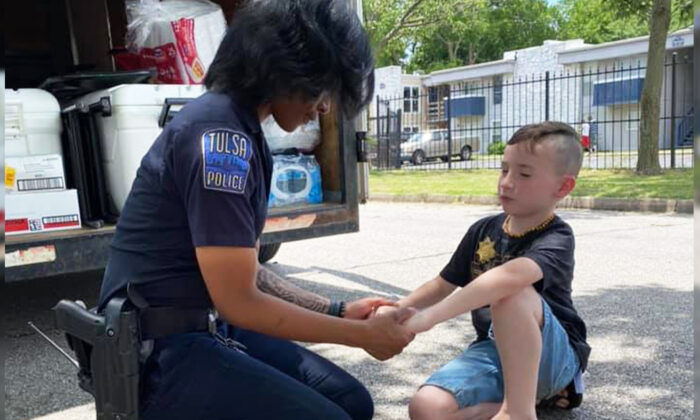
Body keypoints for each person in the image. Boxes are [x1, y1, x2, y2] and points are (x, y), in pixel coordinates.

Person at [96, 1, 415, 419]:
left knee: (353, 402)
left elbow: (248, 273)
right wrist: (360, 335)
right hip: (156, 354)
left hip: (198, 330)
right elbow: (240, 301)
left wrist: (338, 310)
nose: (322, 107)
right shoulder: (221, 140)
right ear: (285, 68)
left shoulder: (241, 131)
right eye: (320, 88)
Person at [376, 122, 591, 420]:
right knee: (425, 408)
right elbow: (442, 284)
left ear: (563, 187)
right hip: (494, 351)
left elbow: (507, 279)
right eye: (504, 170)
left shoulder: (557, 237)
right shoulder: (483, 230)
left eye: (524, 174)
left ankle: (519, 410)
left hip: (551, 357)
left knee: (511, 294)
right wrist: (397, 309)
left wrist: (427, 319)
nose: (506, 182)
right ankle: (528, 405)